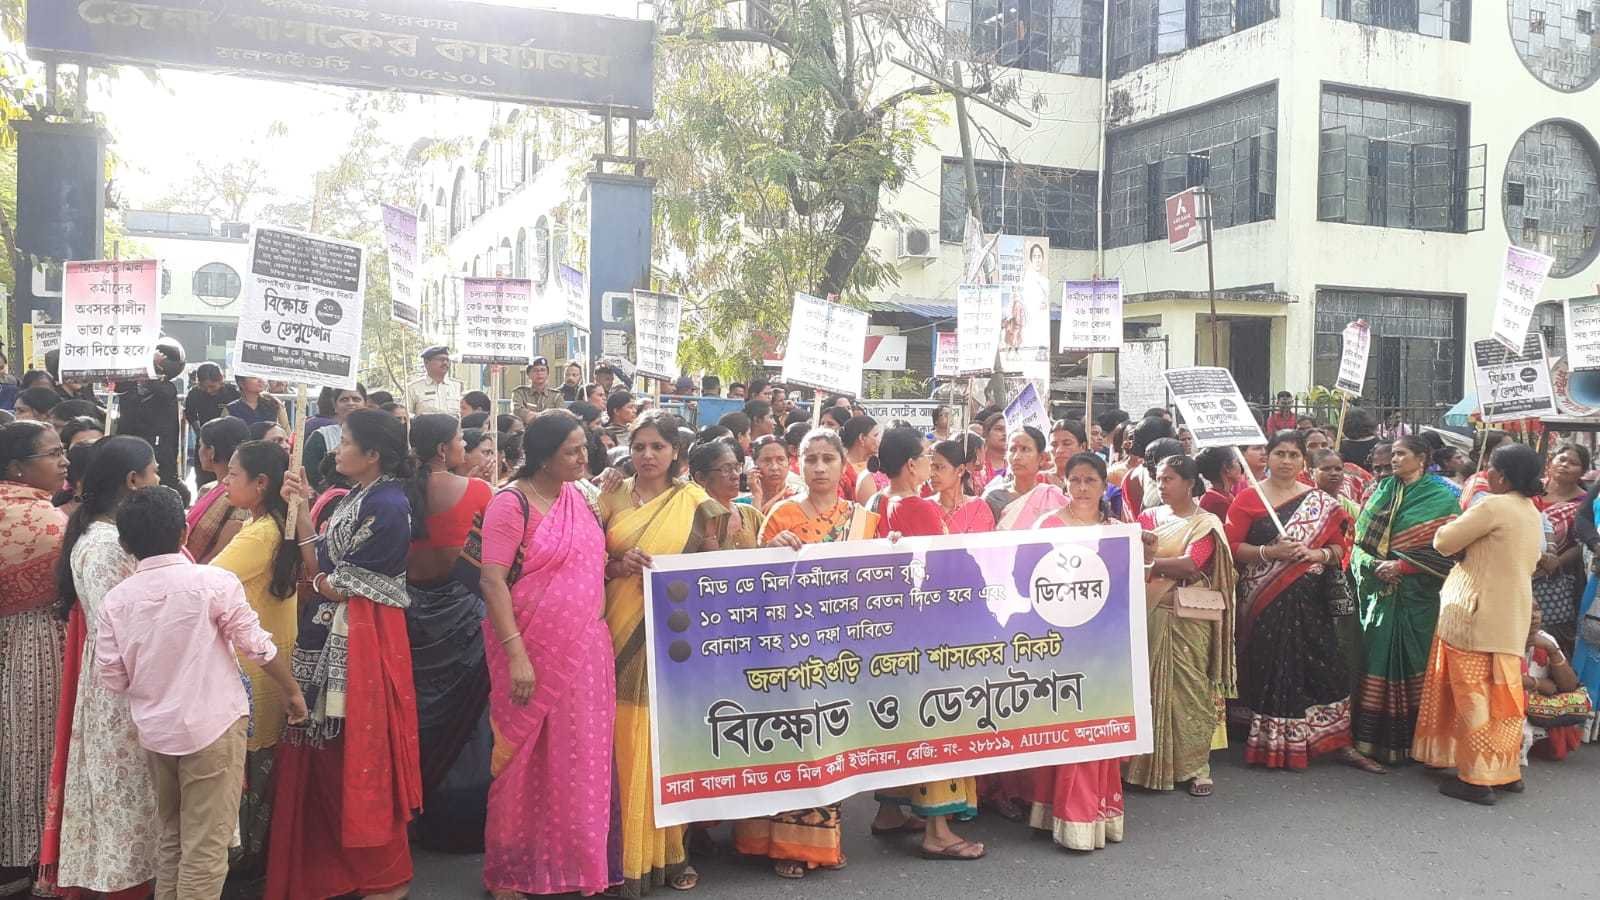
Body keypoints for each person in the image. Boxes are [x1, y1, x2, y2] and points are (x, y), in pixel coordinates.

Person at [95, 485, 308, 900]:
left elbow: (113, 677)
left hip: (156, 733)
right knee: (206, 849)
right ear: (183, 532)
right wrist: (292, 691)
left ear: (125, 544)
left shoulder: (116, 602)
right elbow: (256, 645)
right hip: (213, 727)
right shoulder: (212, 583)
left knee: (173, 837)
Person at [270, 409, 422, 900]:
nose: (337, 450)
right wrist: (302, 507)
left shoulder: (390, 505)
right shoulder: (358, 495)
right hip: (329, 633)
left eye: (347, 442)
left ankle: (379, 875)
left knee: (359, 750)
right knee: (323, 751)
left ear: (372, 454)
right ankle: (334, 867)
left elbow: (343, 584)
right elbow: (322, 561)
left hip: (363, 640)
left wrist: (318, 582)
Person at [477, 411, 616, 898]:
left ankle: (574, 866)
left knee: (580, 757)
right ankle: (511, 872)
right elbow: (491, 581)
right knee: (523, 760)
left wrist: (623, 565)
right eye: (571, 450)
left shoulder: (583, 498)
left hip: (586, 649)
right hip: (527, 648)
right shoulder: (510, 503)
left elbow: (591, 564)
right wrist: (517, 655)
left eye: (584, 447)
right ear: (542, 456)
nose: (583, 457)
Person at [737, 428, 876, 879]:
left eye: (828, 459)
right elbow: (749, 584)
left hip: (837, 649)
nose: (819, 468)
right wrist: (767, 550)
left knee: (828, 740)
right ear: (801, 463)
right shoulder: (781, 515)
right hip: (785, 648)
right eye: (811, 459)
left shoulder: (861, 519)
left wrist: (890, 550)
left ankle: (820, 842)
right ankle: (778, 844)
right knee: (790, 740)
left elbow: (875, 583)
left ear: (842, 465)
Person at [38, 436, 160, 899]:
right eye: (154, 470)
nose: (159, 478)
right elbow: (125, 627)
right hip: (123, 683)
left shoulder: (99, 534)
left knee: (123, 791)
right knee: (126, 795)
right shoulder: (109, 545)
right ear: (133, 480)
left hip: (114, 677)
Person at [863, 427, 983, 860]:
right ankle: (938, 829)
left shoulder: (877, 503)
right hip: (929, 629)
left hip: (892, 630)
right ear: (911, 464)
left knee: (904, 719)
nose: (930, 465)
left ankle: (890, 811)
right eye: (927, 457)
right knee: (938, 720)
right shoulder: (920, 508)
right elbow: (947, 567)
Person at [598, 410, 702, 894]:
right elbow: (583, 557)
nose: (647, 455)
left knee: (661, 743)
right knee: (616, 740)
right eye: (639, 446)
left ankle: (667, 851)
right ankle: (610, 854)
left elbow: (723, 564)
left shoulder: (695, 503)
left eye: (658, 446)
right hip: (612, 632)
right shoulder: (609, 494)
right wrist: (617, 564)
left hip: (670, 639)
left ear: (675, 451)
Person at [1225, 430, 1369, 772]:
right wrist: (1270, 552)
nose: (1286, 461)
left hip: (1311, 601)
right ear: (1268, 457)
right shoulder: (1248, 498)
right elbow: (1232, 547)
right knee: (1271, 666)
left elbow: (1339, 549)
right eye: (1280, 454)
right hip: (1265, 600)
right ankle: (1272, 745)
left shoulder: (1320, 502)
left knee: (1324, 664)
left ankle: (1332, 741)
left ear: (1303, 460)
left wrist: (1315, 553)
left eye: (1293, 455)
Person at [1413, 443, 1545, 804]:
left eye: (1490, 468)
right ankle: (1505, 771)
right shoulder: (1530, 510)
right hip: (1509, 617)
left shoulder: (1493, 506)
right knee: (1505, 697)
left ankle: (1476, 779)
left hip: (1474, 614)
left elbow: (1443, 541)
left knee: (1474, 697)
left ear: (1500, 476)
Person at [1024, 452, 1131, 848]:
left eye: (1091, 480)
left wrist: (1148, 553)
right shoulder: (1047, 526)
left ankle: (1089, 817)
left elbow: (1130, 584)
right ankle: (1065, 817)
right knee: (1065, 731)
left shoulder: (1118, 532)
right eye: (1075, 480)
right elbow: (1024, 578)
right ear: (1065, 483)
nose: (1082, 488)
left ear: (1104, 486)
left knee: (1095, 732)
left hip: (1105, 648)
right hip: (1060, 647)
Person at [209, 439, 302, 888]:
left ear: (261, 482)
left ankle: (243, 855)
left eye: (233, 474)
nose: (225, 482)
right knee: (261, 762)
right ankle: (256, 852)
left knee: (247, 767)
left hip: (253, 666)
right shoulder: (275, 526)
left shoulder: (259, 535)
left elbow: (206, 585)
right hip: (271, 662)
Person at [404, 414, 495, 852]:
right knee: (472, 720)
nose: (463, 445)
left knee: (419, 712)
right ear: (443, 448)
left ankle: (417, 810)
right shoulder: (478, 491)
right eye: (460, 439)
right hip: (465, 616)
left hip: (410, 615)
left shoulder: (397, 492)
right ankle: (466, 819)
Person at [1127, 454, 1237, 797]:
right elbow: (1127, 554)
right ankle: (1144, 767)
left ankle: (1196, 768)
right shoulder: (1148, 518)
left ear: (1190, 483)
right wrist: (1149, 562)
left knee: (1191, 691)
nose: (1161, 485)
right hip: (1150, 612)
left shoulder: (1205, 523)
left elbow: (1191, 565)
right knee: (1146, 689)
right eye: (1158, 479)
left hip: (1188, 617)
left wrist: (1149, 563)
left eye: (1169, 479)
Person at [1348, 435, 1460, 766]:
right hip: (1380, 594)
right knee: (1375, 658)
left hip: (1419, 597)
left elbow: (1449, 551)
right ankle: (1371, 739)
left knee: (1416, 661)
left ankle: (1419, 741)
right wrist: (1372, 565)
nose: (1394, 460)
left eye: (1401, 454)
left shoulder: (1442, 497)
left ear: (1422, 458)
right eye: (1393, 454)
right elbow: (1358, 543)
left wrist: (1403, 567)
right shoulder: (1380, 491)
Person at [0, 422, 69, 894]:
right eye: (53, 454)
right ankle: (27, 856)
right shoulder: (48, 523)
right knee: (31, 749)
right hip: (34, 644)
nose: (64, 461)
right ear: (18, 468)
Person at [1533, 443, 1589, 650]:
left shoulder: (1584, 502)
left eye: (1573, 463)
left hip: (1553, 579)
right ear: (1550, 462)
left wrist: (1555, 562)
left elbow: (1581, 544)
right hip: (1516, 568)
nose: (1565, 465)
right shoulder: (1531, 489)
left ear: (1582, 472)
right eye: (1562, 459)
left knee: (1547, 636)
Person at [186, 417, 252, 564]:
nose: (199, 451)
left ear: (211, 452)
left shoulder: (239, 498)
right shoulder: (207, 489)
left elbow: (220, 552)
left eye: (200, 445)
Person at [983, 426, 1068, 530]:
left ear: (1041, 458)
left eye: (1025, 449)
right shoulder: (994, 497)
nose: (1017, 457)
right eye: (1012, 450)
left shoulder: (1052, 496)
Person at [687, 439, 764, 551]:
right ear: (701, 478)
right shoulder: (692, 521)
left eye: (737, 467)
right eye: (726, 469)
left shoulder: (751, 514)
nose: (735, 476)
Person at [183, 362, 241, 483]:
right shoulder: (195, 393)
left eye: (212, 386)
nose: (209, 391)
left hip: (228, 441)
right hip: (205, 440)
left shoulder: (232, 392)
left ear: (221, 380)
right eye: (204, 387)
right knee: (203, 478)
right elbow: (190, 414)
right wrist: (200, 434)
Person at [303, 385, 368, 493]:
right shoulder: (321, 436)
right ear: (335, 406)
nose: (350, 403)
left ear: (365, 404)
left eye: (356, 399)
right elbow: (312, 476)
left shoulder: (377, 433)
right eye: (344, 399)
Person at [929, 438, 995, 533]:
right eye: (930, 468)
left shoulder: (978, 508)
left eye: (938, 467)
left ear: (960, 470)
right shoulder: (925, 508)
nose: (932, 474)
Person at [406, 346, 465, 417]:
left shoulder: (457, 386)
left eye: (447, 360)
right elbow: (405, 414)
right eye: (441, 359)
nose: (445, 363)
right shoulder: (413, 388)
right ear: (426, 363)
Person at [750, 434, 800, 515]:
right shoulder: (742, 505)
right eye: (767, 460)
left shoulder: (800, 499)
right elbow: (753, 523)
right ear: (755, 464)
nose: (774, 467)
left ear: (789, 462)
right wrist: (756, 497)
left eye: (780, 459)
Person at [842, 415, 885, 502]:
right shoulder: (842, 471)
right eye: (875, 435)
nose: (879, 440)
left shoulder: (879, 463)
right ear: (862, 438)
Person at [1196, 446, 1241, 520]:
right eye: (1236, 461)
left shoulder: (1223, 495)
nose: (1240, 466)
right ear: (1226, 468)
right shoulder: (1217, 503)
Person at [971, 412, 1007, 492]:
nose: (1005, 433)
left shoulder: (1015, 465)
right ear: (986, 434)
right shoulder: (975, 465)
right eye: (999, 429)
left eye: (1008, 430)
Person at [1047, 420, 1087, 485]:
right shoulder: (1037, 480)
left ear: (1083, 447)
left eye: (1067, 444)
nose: (1059, 450)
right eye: (1054, 445)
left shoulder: (1094, 480)